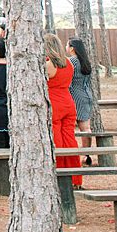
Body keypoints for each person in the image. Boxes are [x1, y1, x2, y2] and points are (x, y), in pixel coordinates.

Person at [44, 33, 80, 187]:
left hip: (54, 103)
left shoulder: (49, 64)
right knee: (70, 139)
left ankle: (59, 176)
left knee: (57, 140)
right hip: (68, 102)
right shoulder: (68, 63)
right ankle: (75, 178)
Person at [67, 37, 94, 132]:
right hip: (87, 94)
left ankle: (84, 147)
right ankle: (87, 147)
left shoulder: (71, 61)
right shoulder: (86, 61)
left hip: (76, 97)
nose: (66, 47)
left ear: (72, 48)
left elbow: (68, 80)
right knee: (86, 127)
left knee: (83, 127)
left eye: (67, 45)